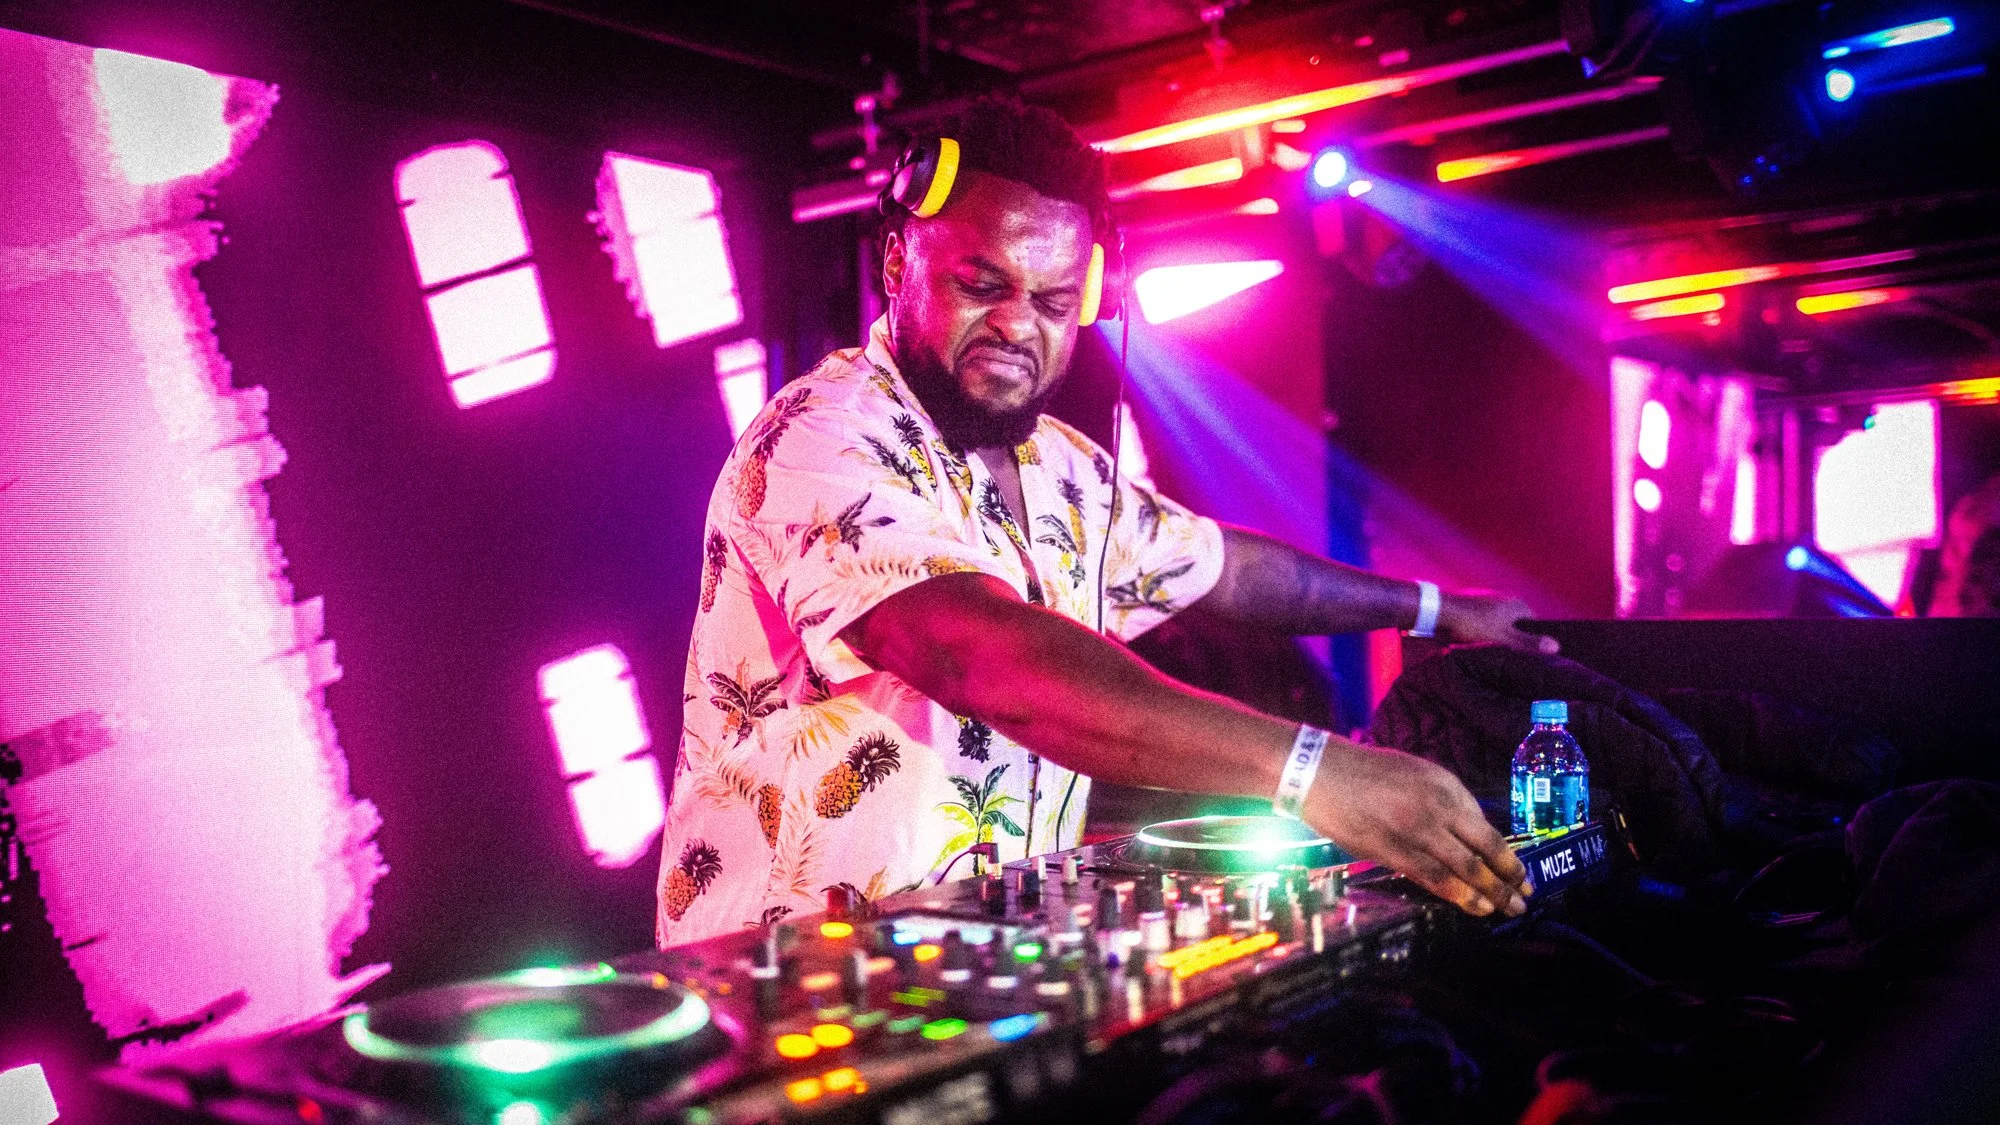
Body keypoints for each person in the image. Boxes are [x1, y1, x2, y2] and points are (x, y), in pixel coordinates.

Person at [656, 96, 1547, 946]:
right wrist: (1312, 772)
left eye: (1051, 303)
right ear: (897, 263)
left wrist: (1437, 609)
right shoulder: (825, 435)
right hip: (788, 988)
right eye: (980, 284)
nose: (1016, 326)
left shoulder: (1065, 468)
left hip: (968, 972)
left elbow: (1225, 569)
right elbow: (979, 653)